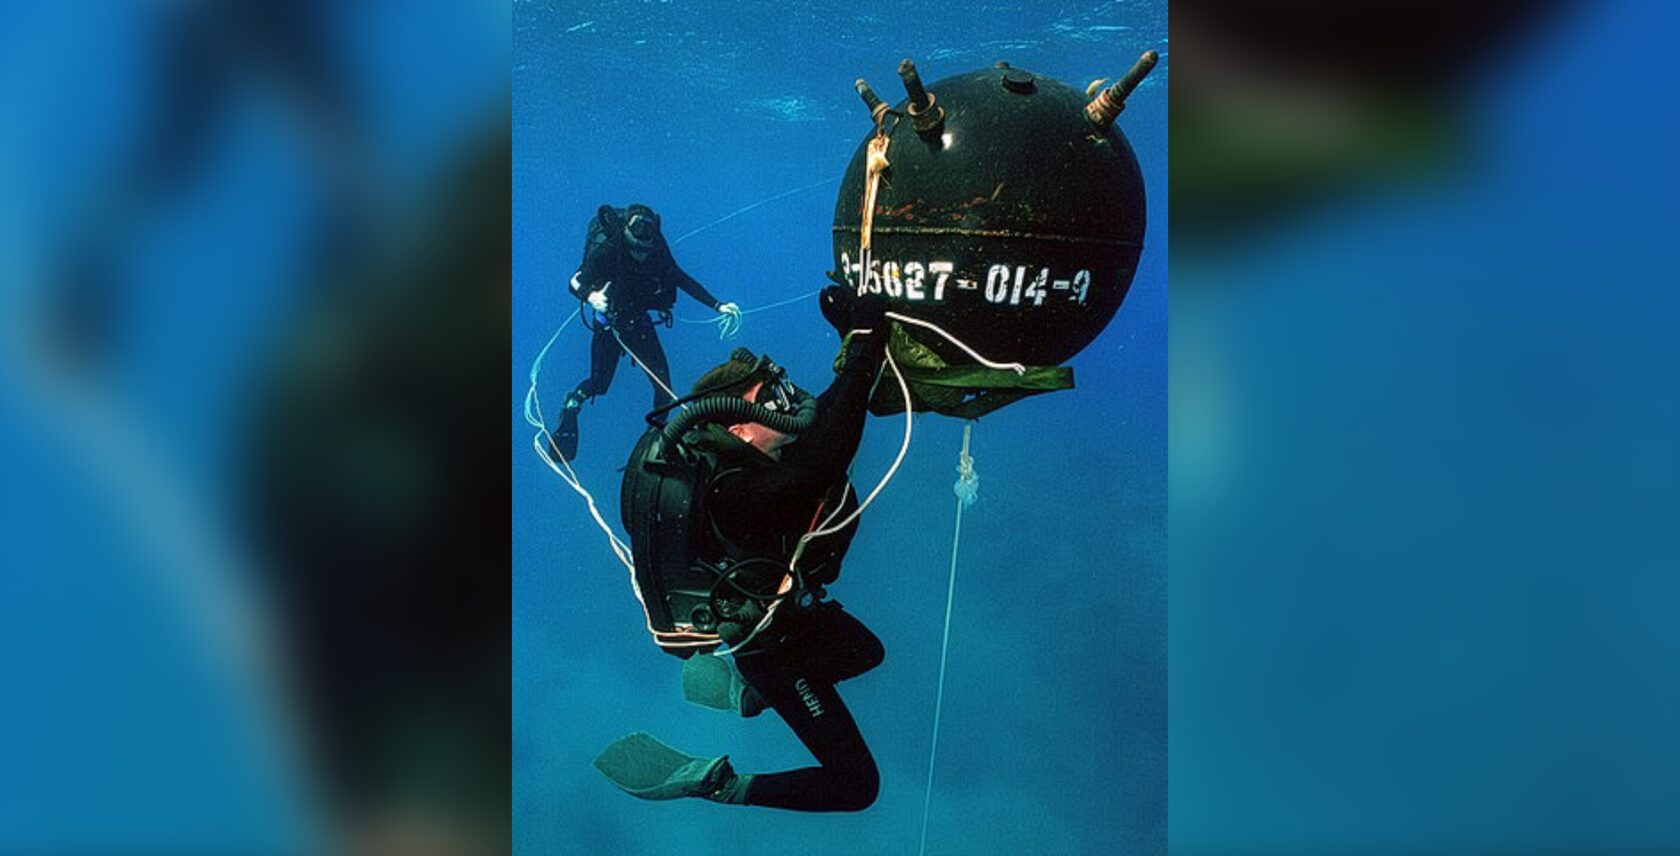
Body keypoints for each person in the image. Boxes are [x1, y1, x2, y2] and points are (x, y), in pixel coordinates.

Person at [594, 287, 889, 812]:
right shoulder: (733, 494)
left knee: (865, 650)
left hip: (786, 618)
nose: (785, 402)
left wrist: (853, 339)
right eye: (766, 400)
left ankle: (748, 698)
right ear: (738, 429)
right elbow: (822, 461)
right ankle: (721, 785)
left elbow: (823, 421)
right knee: (856, 785)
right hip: (772, 649)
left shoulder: (749, 457)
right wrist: (864, 349)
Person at [551, 203, 742, 460]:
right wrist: (591, 296)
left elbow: (681, 279)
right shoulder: (609, 251)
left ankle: (655, 443)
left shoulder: (657, 251)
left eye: (647, 238)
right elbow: (574, 281)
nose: (642, 247)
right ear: (626, 232)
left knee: (664, 388)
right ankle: (573, 404)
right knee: (599, 383)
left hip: (639, 323)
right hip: (609, 325)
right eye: (637, 237)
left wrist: (717, 305)